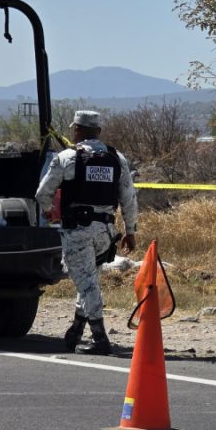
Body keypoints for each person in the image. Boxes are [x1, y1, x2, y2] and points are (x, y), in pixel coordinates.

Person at [36, 110, 138, 355]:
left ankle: (100, 339)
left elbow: (42, 193)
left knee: (88, 285)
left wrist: (48, 212)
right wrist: (130, 230)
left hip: (78, 232)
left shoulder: (67, 157)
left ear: (76, 130)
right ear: (99, 131)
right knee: (89, 281)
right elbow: (129, 198)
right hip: (105, 232)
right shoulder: (116, 158)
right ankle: (76, 331)